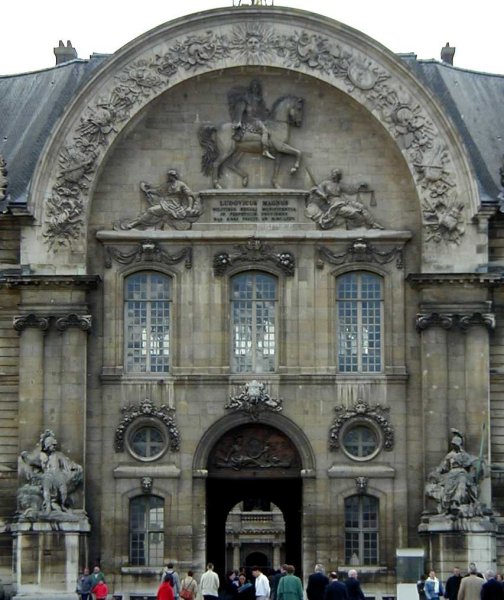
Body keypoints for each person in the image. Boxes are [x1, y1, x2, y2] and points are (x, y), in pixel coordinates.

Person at [118, 169, 202, 231]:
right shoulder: (167, 185)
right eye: (168, 176)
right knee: (151, 211)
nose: (169, 177)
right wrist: (149, 190)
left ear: (174, 176)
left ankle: (134, 224)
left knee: (151, 210)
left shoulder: (181, 184)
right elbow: (158, 191)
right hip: (166, 204)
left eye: (170, 176)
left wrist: (189, 207)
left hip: (175, 206)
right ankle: (136, 224)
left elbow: (189, 195)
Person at [426, 430, 484, 517]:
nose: (454, 446)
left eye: (456, 444)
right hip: (452, 474)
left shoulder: (464, 455)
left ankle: (455, 502)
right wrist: (435, 472)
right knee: (448, 488)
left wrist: (479, 461)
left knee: (462, 482)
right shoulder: (450, 455)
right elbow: (443, 466)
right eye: (453, 444)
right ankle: (447, 505)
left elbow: (473, 462)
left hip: (462, 472)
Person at [305, 168, 383, 230]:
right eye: (333, 173)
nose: (333, 175)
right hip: (334, 205)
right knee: (353, 213)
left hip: (343, 201)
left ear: (338, 176)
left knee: (361, 206)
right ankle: (356, 227)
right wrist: (322, 195)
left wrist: (359, 186)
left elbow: (350, 190)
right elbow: (315, 189)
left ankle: (373, 224)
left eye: (335, 173)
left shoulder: (340, 185)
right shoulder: (326, 183)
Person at [227, 79, 275, 159]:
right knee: (265, 130)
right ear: (251, 88)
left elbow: (262, 110)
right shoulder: (247, 97)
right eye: (254, 87)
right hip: (249, 119)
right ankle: (265, 150)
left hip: (257, 119)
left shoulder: (259, 99)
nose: (255, 89)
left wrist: (267, 114)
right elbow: (240, 107)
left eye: (256, 87)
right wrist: (238, 121)